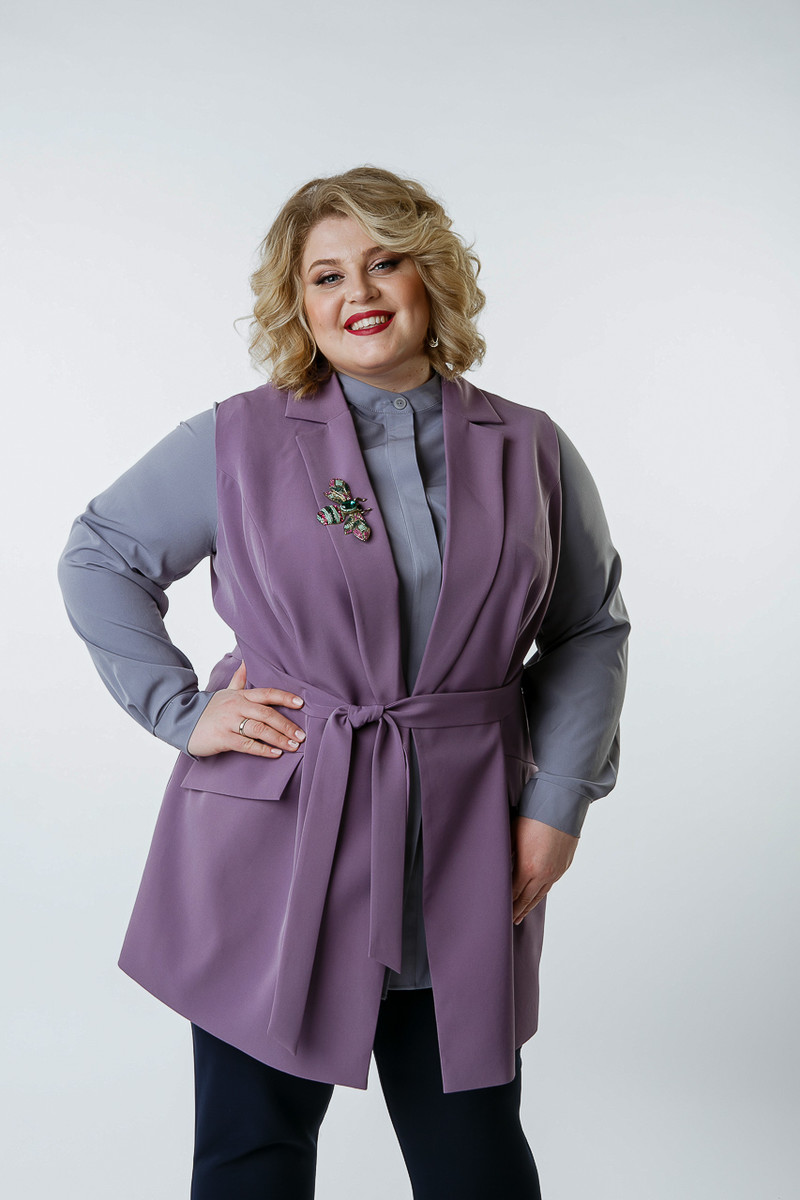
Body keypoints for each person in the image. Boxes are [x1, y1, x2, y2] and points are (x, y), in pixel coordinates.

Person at [58, 166, 630, 1199]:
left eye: (384, 262)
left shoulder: (530, 447)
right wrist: (182, 712)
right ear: (298, 303)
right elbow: (100, 554)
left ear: (431, 278)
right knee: (252, 1156)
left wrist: (557, 803)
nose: (357, 293)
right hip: (274, 830)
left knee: (474, 1162)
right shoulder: (235, 439)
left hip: (462, 835)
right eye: (325, 276)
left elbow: (587, 628)